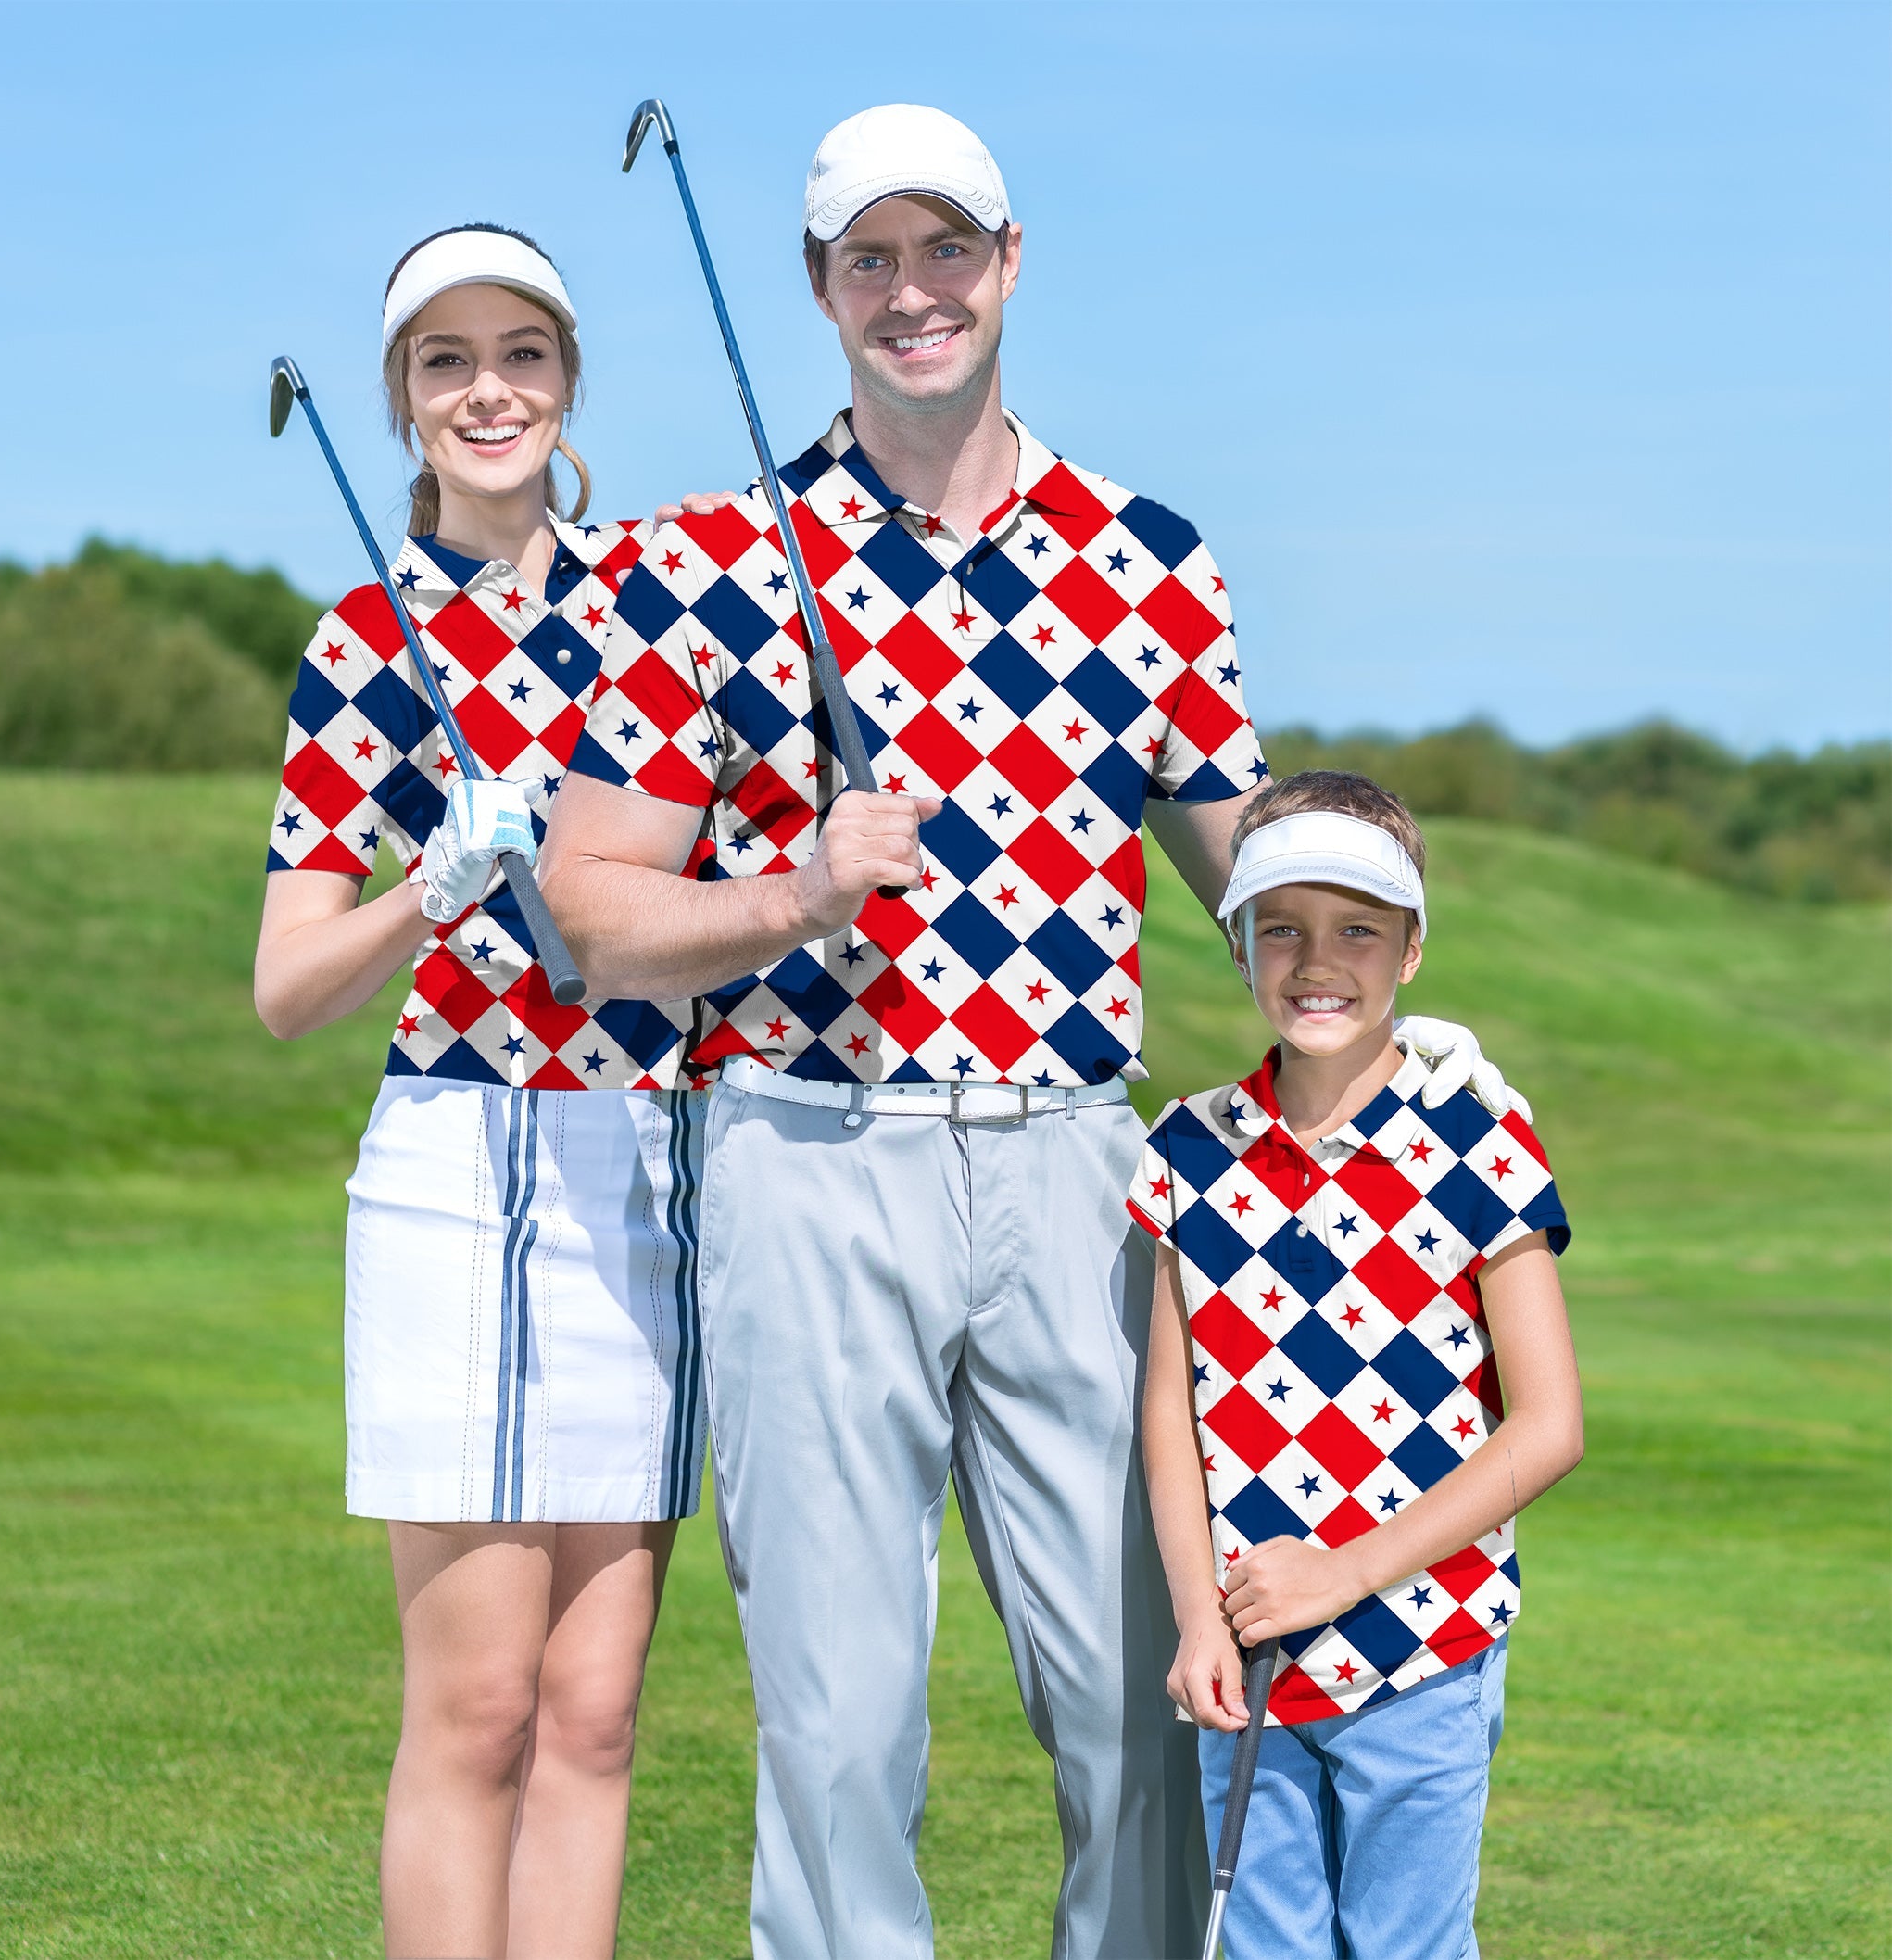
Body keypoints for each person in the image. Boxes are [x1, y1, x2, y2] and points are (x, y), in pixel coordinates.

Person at [541, 107, 1516, 1958]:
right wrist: (780, 898)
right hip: (805, 1153)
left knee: (1150, 1687)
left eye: (945, 250)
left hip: (1080, 1166)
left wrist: (1401, 1005)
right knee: (840, 1721)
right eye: (868, 259)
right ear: (819, 289)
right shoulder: (701, 563)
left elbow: (1254, 880)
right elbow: (593, 905)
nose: (913, 292)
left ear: (1008, 261)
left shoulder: (1150, 561)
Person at [254, 223, 721, 1960]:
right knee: (478, 1710)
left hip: (643, 1169)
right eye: (445, 362)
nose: (488, 391)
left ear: (568, 378)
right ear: (401, 400)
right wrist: (428, 889)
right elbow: (288, 987)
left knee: (594, 1712)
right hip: (456, 1160)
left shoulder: (668, 608)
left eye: (520, 353)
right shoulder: (364, 638)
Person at [1132, 770, 1585, 1959]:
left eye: (1357, 930)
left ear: (1411, 952)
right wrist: (1195, 1618)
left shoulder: (1480, 1141)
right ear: (1237, 943)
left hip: (1425, 1642)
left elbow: (1548, 1428)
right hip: (1247, 1653)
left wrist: (1341, 1577)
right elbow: (1170, 1418)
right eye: (1279, 926)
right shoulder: (1187, 1147)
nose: (1315, 960)